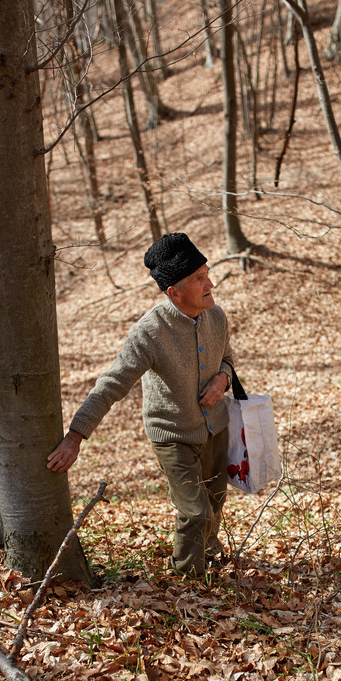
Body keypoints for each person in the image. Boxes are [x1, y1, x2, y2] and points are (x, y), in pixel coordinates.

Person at [47, 232, 235, 577]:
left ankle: (207, 557)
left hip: (216, 429)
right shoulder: (149, 332)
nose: (210, 283)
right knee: (196, 512)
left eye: (207, 273)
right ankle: (189, 584)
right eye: (199, 278)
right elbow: (112, 384)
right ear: (173, 293)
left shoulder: (217, 317)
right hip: (173, 435)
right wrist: (75, 436)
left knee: (214, 504)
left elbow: (227, 359)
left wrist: (222, 379)